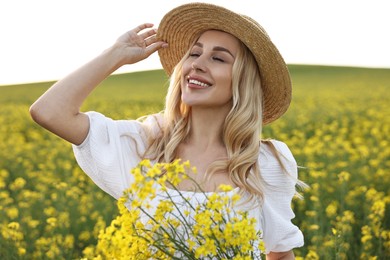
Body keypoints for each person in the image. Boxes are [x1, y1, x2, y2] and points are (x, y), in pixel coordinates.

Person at [30, 2, 304, 259]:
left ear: (242, 81)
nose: (196, 63)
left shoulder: (265, 162)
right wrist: (115, 55)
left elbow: (279, 254)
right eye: (194, 53)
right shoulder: (145, 144)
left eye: (218, 59)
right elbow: (50, 112)